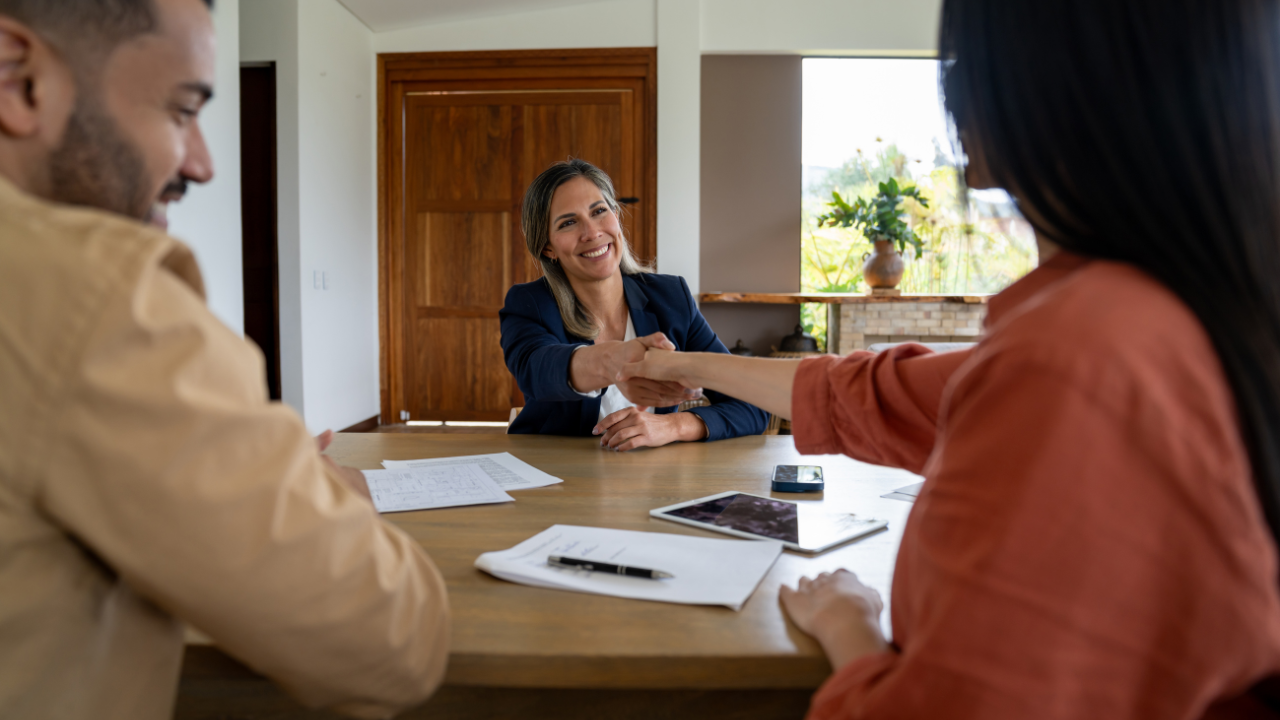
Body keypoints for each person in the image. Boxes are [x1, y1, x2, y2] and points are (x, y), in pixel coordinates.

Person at [618, 0, 1280, 716]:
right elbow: (865, 391)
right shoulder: (1183, 308)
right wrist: (688, 366)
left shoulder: (1077, 356)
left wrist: (851, 626)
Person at [0, 2, 448, 719]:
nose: (204, 164)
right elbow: (393, 643)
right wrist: (315, 487)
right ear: (19, 79)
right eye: (182, 111)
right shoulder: (102, 300)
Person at [500, 159, 767, 450]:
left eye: (599, 211)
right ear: (547, 247)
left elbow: (752, 403)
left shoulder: (670, 297)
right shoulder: (529, 303)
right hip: (559, 479)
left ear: (616, 215)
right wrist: (612, 362)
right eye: (568, 222)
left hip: (652, 482)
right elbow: (536, 371)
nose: (592, 233)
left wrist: (673, 425)